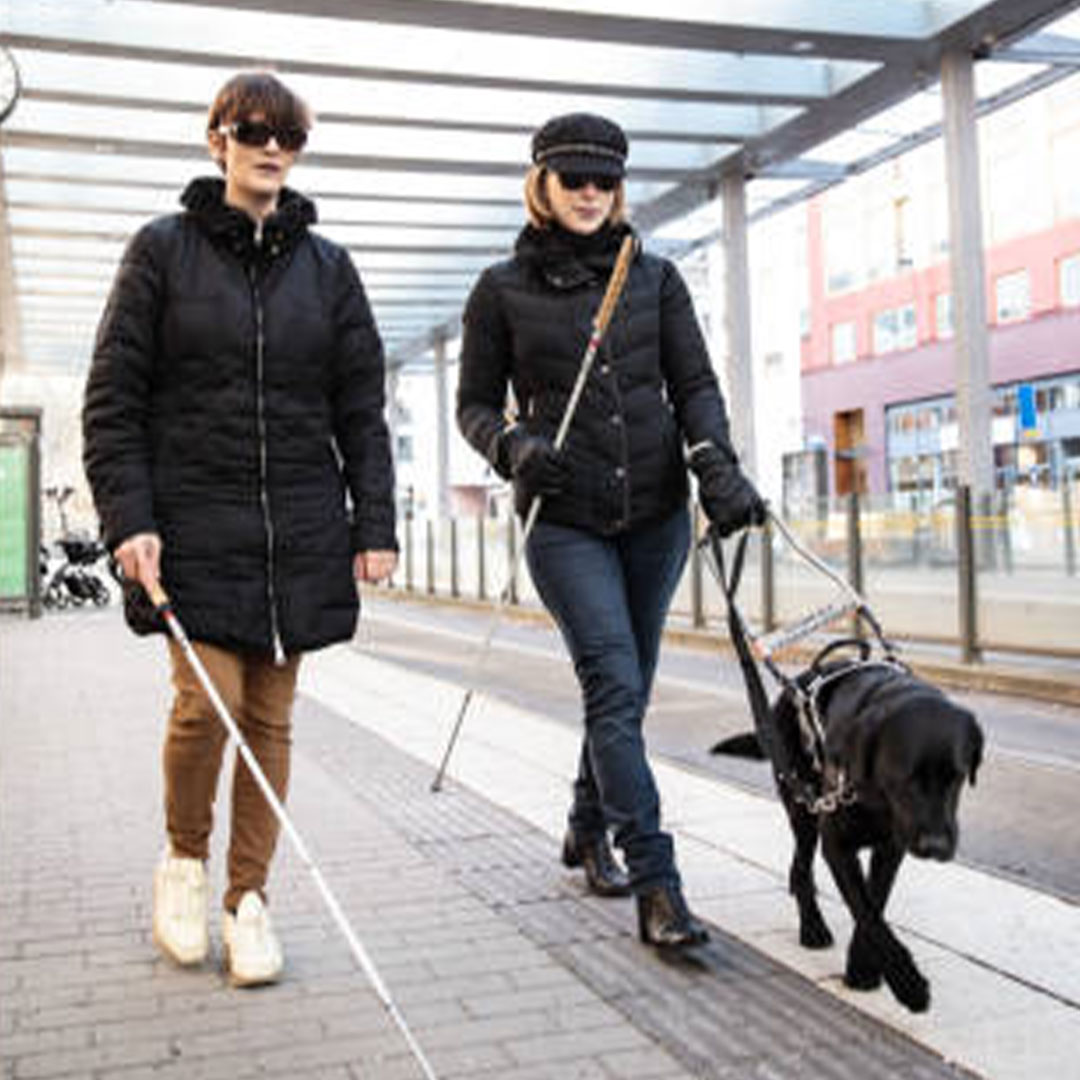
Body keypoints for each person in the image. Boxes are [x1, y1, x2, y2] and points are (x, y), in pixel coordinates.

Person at [82, 71, 398, 986]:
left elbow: (360, 409)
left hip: (300, 527)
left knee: (270, 717)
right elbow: (113, 401)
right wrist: (129, 521)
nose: (270, 148)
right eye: (252, 130)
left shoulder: (330, 270)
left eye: (287, 135)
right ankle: (185, 860)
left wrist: (371, 521)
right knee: (203, 703)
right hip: (193, 526)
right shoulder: (161, 253)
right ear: (216, 139)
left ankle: (248, 900)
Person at [456, 113, 765, 949]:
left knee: (625, 691)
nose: (590, 194)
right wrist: (512, 445)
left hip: (658, 516)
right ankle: (657, 884)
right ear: (543, 186)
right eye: (574, 180)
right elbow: (474, 407)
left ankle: (586, 825)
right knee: (614, 685)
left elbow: (694, 385)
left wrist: (718, 467)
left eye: (604, 181)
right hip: (565, 522)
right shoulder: (499, 291)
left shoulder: (657, 281)